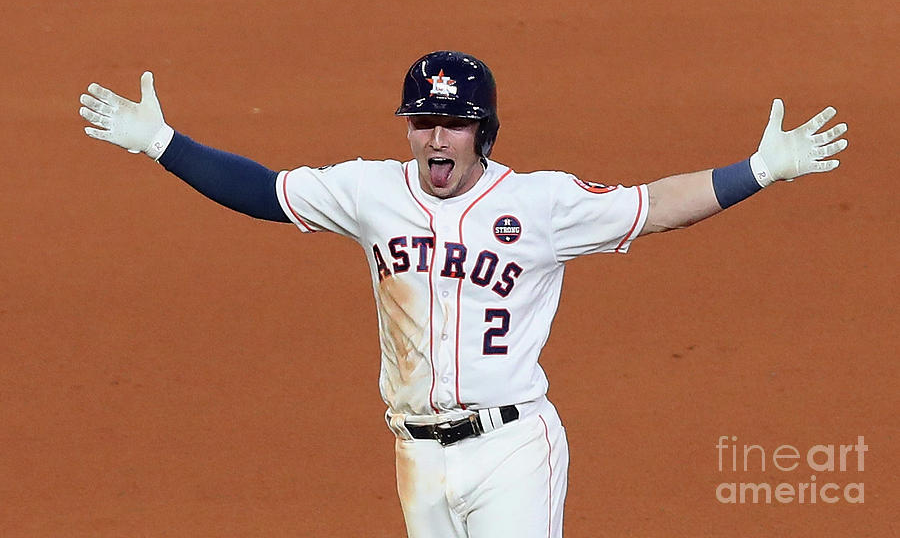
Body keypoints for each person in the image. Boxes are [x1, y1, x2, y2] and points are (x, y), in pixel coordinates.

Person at [78, 51, 848, 537]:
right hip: (417, 456)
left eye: (454, 124)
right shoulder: (368, 192)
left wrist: (758, 170)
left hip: (511, 446)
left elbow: (651, 206)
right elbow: (265, 192)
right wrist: (162, 144)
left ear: (484, 132)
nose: (436, 139)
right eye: (424, 122)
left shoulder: (540, 205)